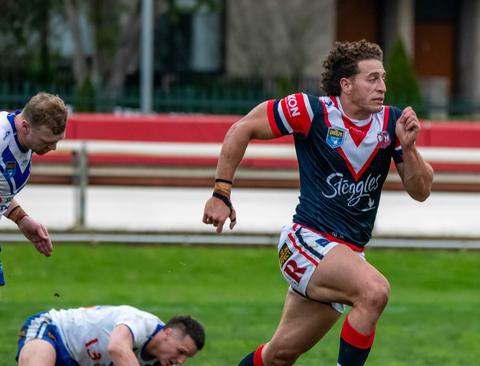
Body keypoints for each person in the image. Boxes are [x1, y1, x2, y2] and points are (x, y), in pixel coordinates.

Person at [202, 40, 433, 365]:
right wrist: (221, 193)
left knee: (279, 355)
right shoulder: (311, 111)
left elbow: (420, 191)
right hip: (306, 241)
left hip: (346, 254)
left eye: (383, 78)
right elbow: (243, 128)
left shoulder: (391, 125)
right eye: (372, 79)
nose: (382, 87)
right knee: (374, 291)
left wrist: (409, 149)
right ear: (346, 84)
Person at [0, 92, 68, 286]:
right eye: (47, 142)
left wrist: (21, 218)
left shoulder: (22, 142)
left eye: (57, 141)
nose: (53, 147)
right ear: (25, 127)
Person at [16, 305, 205, 366]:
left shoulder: (159, 362)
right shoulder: (140, 322)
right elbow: (116, 347)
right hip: (53, 331)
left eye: (187, 357)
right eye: (181, 351)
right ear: (168, 332)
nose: (181, 360)